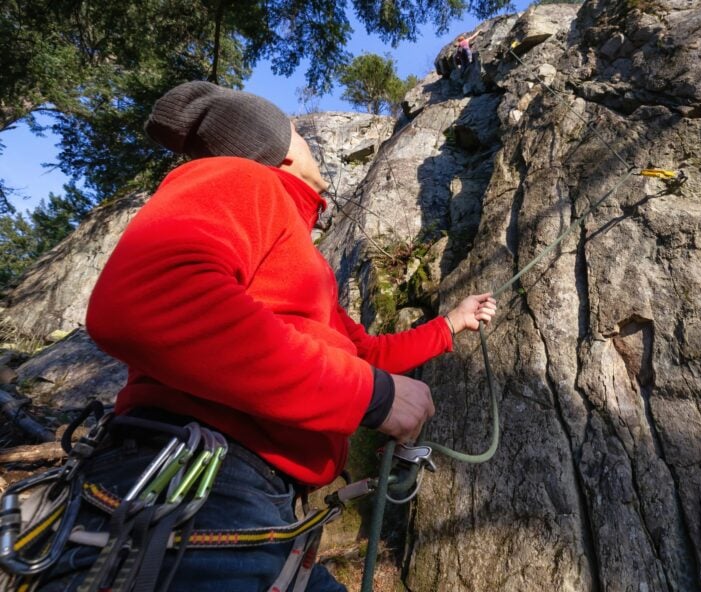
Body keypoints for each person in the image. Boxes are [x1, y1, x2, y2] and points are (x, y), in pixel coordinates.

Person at [38, 81, 496, 591]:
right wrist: (369, 395)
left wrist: (450, 324)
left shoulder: (295, 255)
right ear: (276, 152)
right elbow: (152, 298)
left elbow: (366, 352)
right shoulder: (241, 178)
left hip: (247, 507)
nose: (309, 142)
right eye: (298, 133)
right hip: (204, 491)